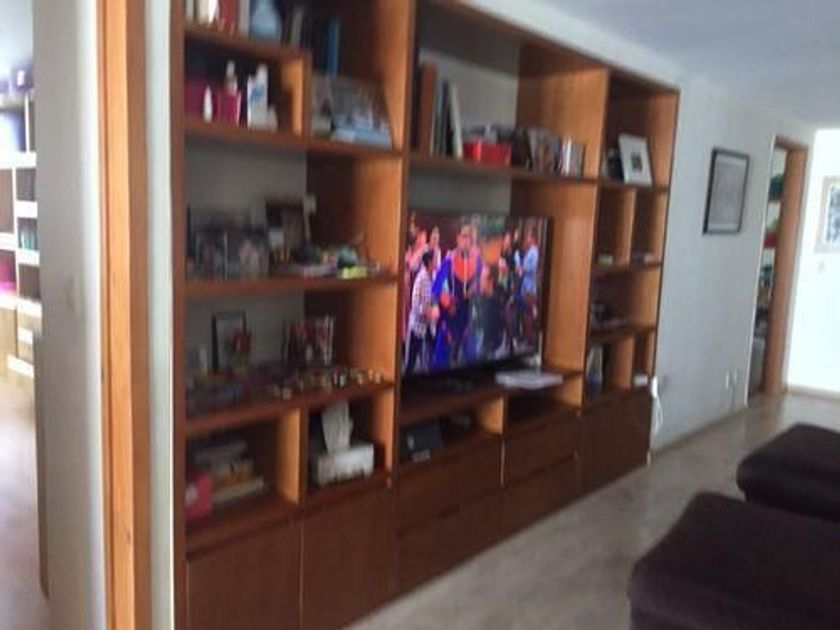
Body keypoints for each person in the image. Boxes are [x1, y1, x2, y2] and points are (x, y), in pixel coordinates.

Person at [432, 222, 482, 368]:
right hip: (451, 317)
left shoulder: (477, 261)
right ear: (458, 238)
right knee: (440, 362)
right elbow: (436, 287)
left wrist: (475, 289)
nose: (467, 240)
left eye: (470, 237)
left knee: (473, 360)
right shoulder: (449, 261)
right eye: (464, 236)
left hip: (468, 318)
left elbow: (484, 285)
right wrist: (446, 300)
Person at [405, 251, 437, 374]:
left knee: (430, 360)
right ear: (429, 262)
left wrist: (435, 308)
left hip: (430, 326)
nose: (436, 262)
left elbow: (435, 298)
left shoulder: (434, 277)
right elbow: (415, 304)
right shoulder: (420, 279)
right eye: (434, 260)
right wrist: (426, 312)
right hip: (417, 327)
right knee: (411, 363)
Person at [518, 226, 540, 347]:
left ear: (533, 238)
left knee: (529, 314)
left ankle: (530, 339)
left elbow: (533, 268)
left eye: (528, 237)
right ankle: (526, 337)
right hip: (525, 286)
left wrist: (523, 269)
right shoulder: (530, 251)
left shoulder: (534, 252)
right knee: (525, 313)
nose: (527, 239)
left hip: (530, 287)